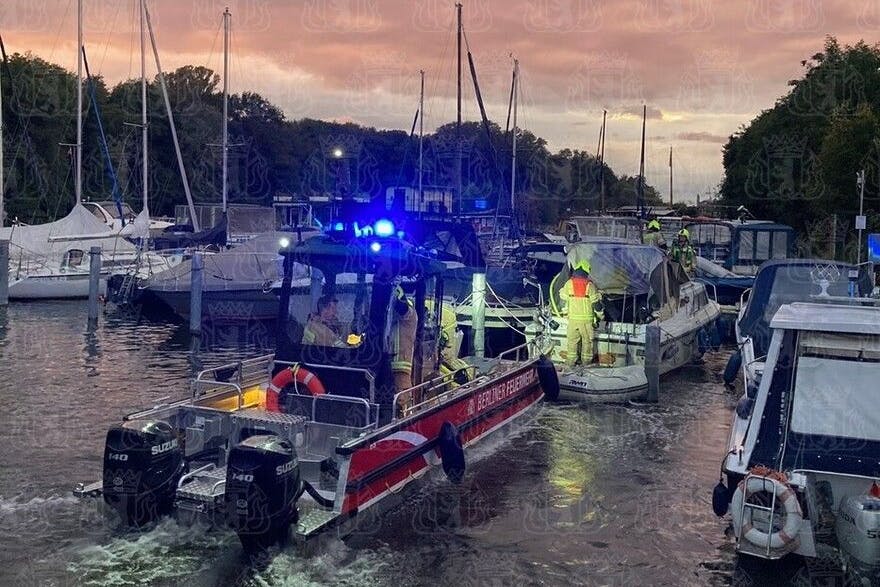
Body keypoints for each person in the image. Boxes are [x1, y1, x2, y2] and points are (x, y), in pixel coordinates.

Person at [558, 261, 603, 368]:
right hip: (586, 321)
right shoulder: (590, 286)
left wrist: (565, 314)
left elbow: (562, 301)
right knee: (587, 343)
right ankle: (586, 364)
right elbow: (596, 304)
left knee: (572, 342)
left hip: (573, 320)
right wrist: (600, 316)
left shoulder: (568, 284)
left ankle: (570, 364)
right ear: (586, 272)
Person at [390, 286, 418, 397]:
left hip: (401, 369)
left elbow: (401, 307)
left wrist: (390, 295)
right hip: (386, 365)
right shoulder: (392, 318)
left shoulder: (409, 314)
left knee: (401, 403)